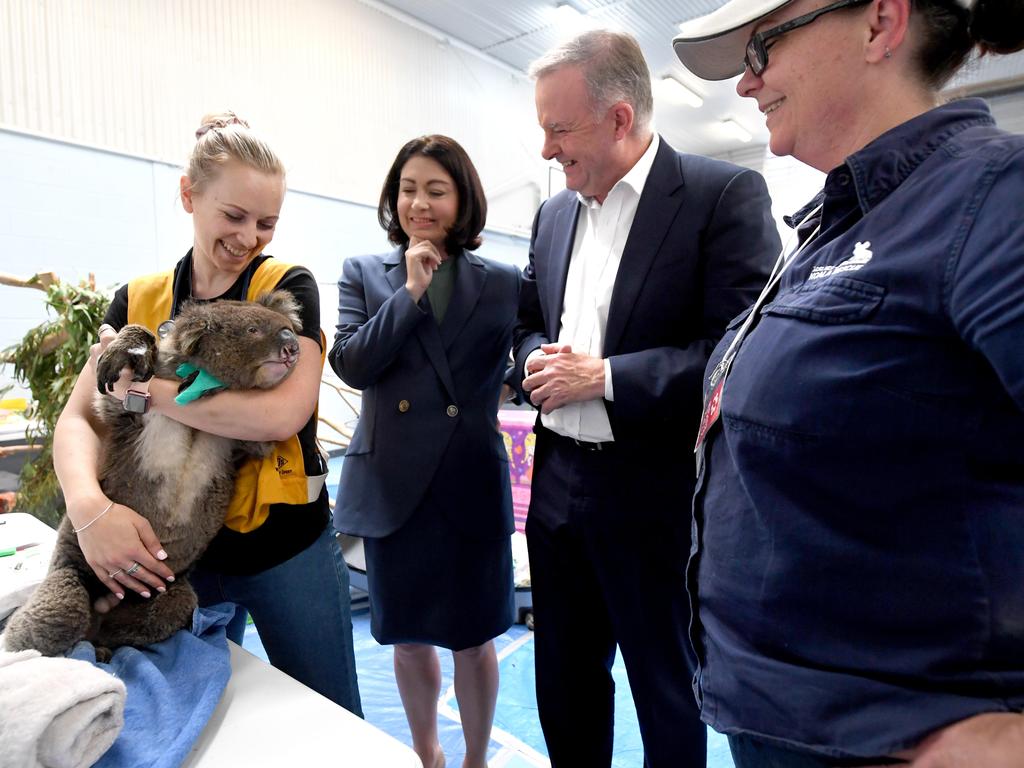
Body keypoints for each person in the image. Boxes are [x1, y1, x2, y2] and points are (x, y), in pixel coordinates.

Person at [672, 0, 1024, 765]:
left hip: (883, 734)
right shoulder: (833, 227)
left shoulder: (990, 199)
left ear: (879, 24)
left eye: (763, 45)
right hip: (780, 721)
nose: (746, 81)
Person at [512, 29, 781, 768]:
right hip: (557, 479)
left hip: (653, 491)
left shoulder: (718, 195)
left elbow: (739, 353)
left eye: (558, 130)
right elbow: (527, 321)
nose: (545, 150)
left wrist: (605, 377)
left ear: (620, 118)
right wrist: (536, 355)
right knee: (563, 677)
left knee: (666, 684)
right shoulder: (554, 214)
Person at [52, 111, 362, 715]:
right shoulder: (138, 300)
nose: (249, 237)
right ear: (189, 196)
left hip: (282, 547)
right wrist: (89, 510)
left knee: (329, 707)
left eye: (267, 223)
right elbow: (79, 419)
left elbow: (281, 415)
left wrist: (142, 390)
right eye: (234, 216)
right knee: (201, 711)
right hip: (178, 554)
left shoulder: (285, 288)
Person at [331, 135, 520, 768]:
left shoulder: (503, 282)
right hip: (393, 488)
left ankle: (474, 759)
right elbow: (353, 364)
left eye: (436, 190)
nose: (419, 203)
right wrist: (409, 293)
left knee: (475, 640)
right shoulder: (364, 272)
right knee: (408, 641)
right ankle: (428, 756)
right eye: (408, 189)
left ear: (462, 200)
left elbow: (525, 350)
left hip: (467, 481)